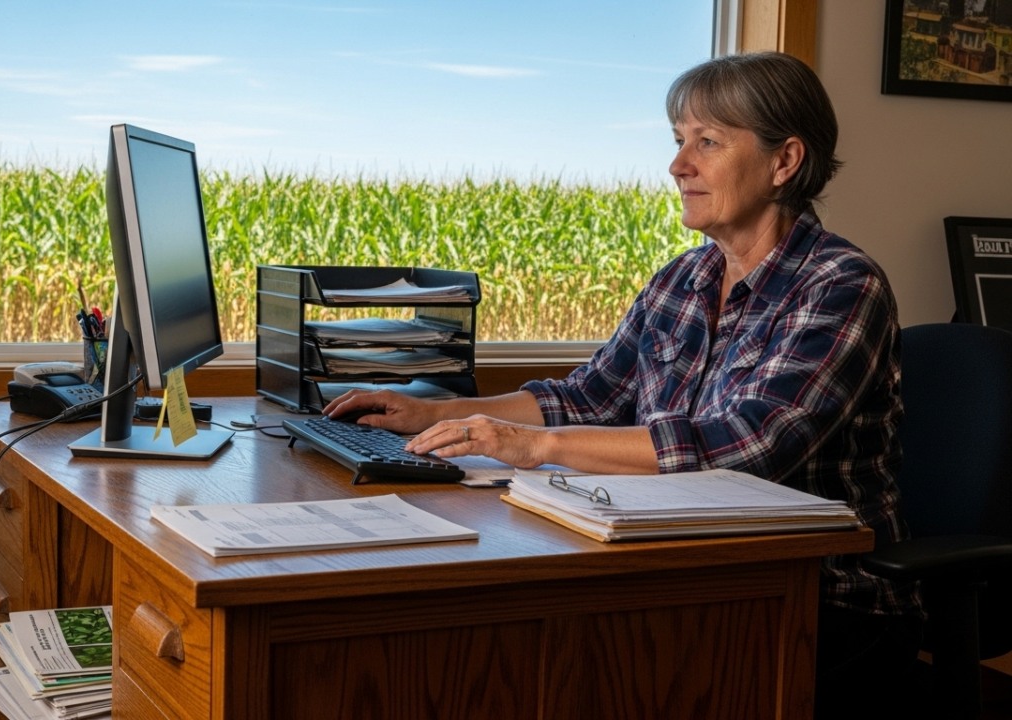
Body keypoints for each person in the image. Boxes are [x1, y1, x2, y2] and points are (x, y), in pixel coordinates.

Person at [324, 52, 924, 719]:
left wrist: (532, 447)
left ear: (785, 162)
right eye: (678, 142)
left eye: (707, 142)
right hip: (686, 567)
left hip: (818, 597)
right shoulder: (681, 280)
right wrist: (434, 410)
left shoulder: (840, 285)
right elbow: (588, 396)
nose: (678, 166)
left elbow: (746, 448)